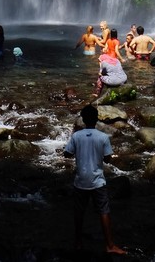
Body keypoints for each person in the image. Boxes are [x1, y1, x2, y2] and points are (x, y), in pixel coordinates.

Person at [63, 103, 126, 255]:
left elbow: (67, 154)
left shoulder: (76, 136)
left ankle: (78, 243)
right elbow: (108, 159)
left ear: (83, 120)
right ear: (97, 119)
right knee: (104, 211)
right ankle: (110, 245)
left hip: (81, 181)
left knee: (79, 212)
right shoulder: (103, 137)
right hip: (97, 181)